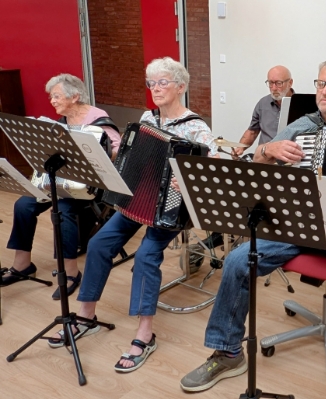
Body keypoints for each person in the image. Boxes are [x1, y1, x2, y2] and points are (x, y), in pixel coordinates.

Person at [181, 59, 326, 399]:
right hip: (299, 228)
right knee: (237, 261)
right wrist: (268, 149)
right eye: (321, 84)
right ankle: (227, 353)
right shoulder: (301, 125)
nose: (324, 91)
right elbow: (256, 163)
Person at [47, 57, 217, 373]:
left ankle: (145, 335)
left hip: (171, 207)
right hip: (139, 199)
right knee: (99, 245)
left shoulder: (196, 127)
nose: (156, 88)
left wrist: (190, 178)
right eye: (151, 83)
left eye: (163, 82)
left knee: (147, 256)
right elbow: (133, 154)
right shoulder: (146, 118)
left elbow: (212, 170)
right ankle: (85, 316)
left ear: (181, 86)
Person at [0, 74, 121, 300]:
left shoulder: (98, 119)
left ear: (74, 96)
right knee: (23, 205)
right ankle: (22, 264)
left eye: (56, 96)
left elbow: (119, 150)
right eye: (51, 97)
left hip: (89, 185)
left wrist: (98, 153)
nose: (52, 101)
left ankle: (71, 272)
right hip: (59, 181)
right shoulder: (61, 121)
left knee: (63, 210)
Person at [231, 65, 294, 158]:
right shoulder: (263, 103)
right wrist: (240, 148)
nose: (274, 88)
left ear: (290, 83)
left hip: (290, 158)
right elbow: (252, 131)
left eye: (278, 83)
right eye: (270, 83)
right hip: (265, 158)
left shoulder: (301, 104)